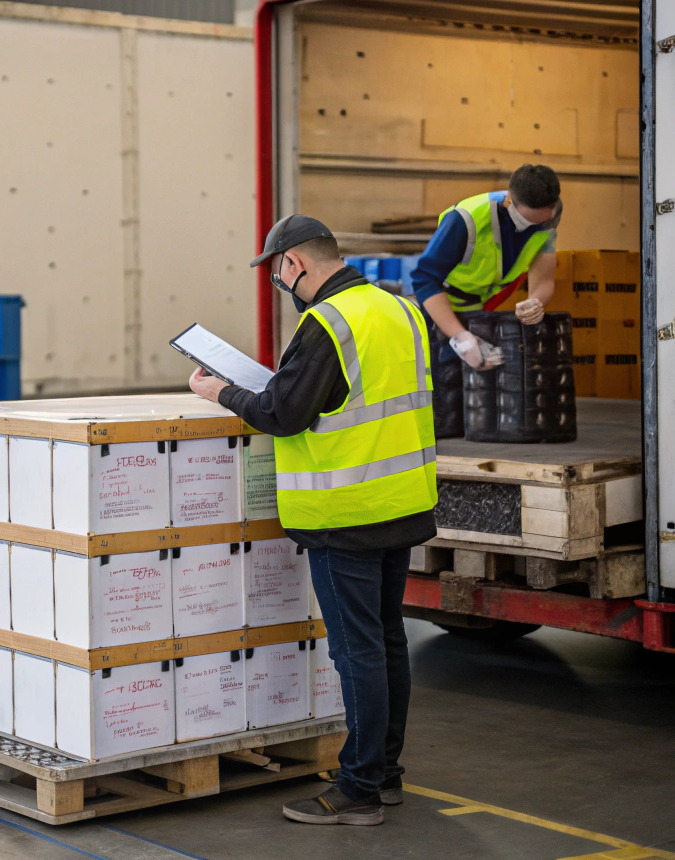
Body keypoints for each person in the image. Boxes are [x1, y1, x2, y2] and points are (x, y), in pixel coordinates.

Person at [188, 214, 437, 827]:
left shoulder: (327, 322)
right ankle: (385, 773)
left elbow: (283, 413)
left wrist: (220, 393)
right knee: (388, 641)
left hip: (345, 513)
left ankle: (359, 790)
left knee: (358, 652)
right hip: (401, 501)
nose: (279, 281)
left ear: (294, 263)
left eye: (277, 271)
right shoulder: (400, 309)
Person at [412, 164, 561, 436]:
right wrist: (459, 336)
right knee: (444, 404)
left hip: (479, 306)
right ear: (509, 201)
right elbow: (424, 280)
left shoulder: (549, 219)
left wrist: (536, 301)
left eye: (540, 223)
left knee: (473, 401)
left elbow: (544, 279)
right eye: (527, 222)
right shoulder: (466, 219)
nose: (533, 228)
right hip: (440, 304)